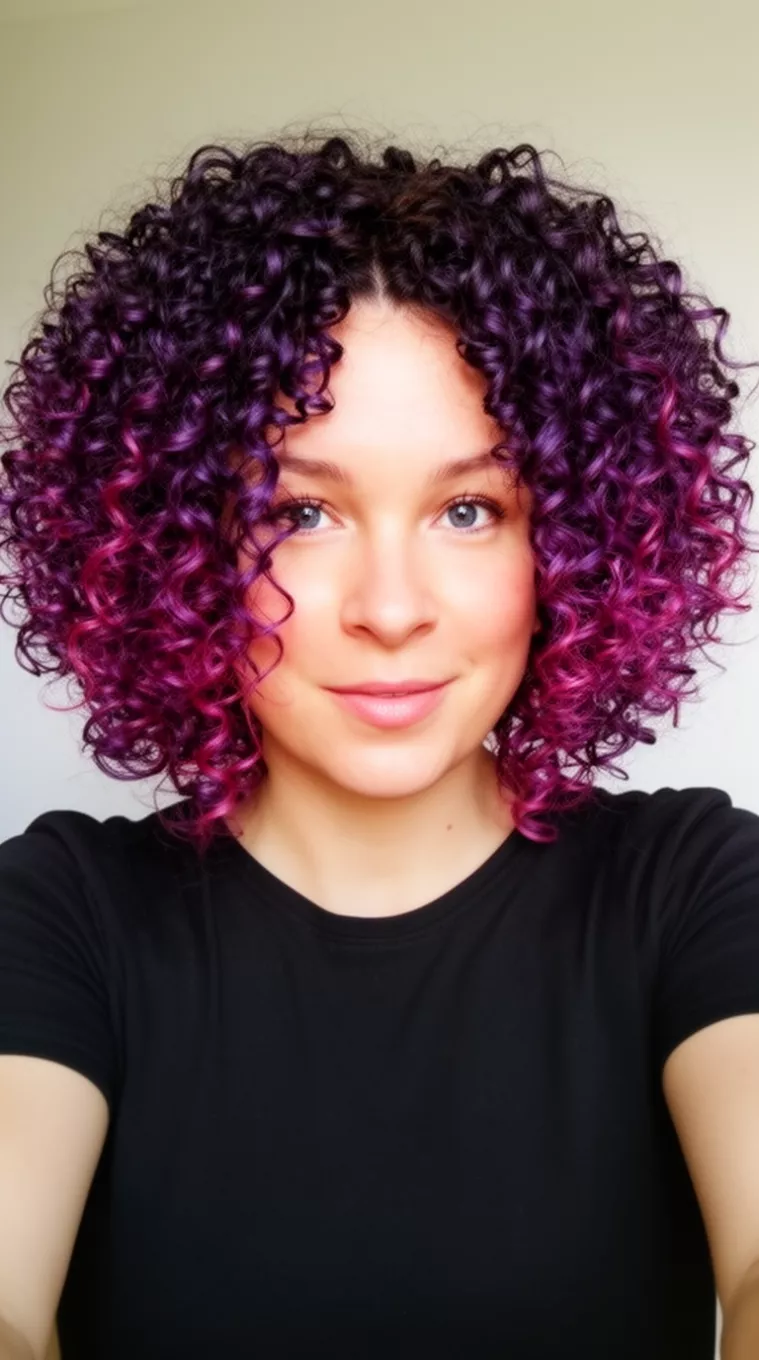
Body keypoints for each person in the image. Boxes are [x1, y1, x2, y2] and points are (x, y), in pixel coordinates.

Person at [0, 126, 758, 1360]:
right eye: (300, 511)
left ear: (576, 541)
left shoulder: (694, 887)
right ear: (174, 543)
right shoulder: (60, 915)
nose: (392, 609)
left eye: (469, 509)